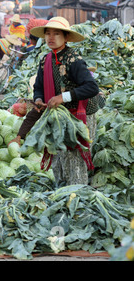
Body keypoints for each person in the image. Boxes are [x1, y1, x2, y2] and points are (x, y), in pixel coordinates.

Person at [9, 17, 100, 186]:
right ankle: (62, 191)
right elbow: (38, 87)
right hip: (58, 115)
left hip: (79, 116)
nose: (51, 37)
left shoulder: (74, 60)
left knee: (75, 158)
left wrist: (62, 97)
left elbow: (92, 87)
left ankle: (78, 194)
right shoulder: (45, 60)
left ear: (65, 37)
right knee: (57, 154)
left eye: (56, 34)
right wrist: (38, 99)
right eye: (48, 34)